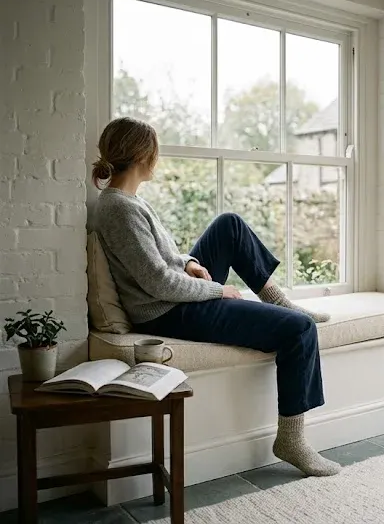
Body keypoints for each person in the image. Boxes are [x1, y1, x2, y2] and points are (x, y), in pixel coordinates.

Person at [90, 117, 339, 477]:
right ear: (144, 156)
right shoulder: (119, 209)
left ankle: (276, 299)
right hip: (167, 311)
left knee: (229, 225)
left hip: (174, 294)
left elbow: (162, 261)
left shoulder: (126, 202)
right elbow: (158, 283)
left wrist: (189, 262)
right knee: (299, 329)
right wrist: (216, 290)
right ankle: (291, 439)